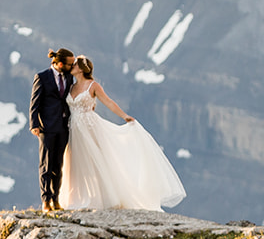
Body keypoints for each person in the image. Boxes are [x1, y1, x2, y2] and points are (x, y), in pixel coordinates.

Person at [59, 56, 185, 210]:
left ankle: (102, 198)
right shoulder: (71, 87)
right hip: (74, 129)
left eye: (74, 65)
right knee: (77, 162)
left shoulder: (93, 85)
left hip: (89, 128)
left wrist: (124, 116)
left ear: (81, 68)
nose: (71, 66)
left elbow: (109, 102)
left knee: (96, 160)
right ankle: (80, 197)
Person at [29, 47, 75, 211]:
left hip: (63, 127)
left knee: (58, 164)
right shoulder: (42, 77)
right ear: (61, 63)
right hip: (46, 127)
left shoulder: (69, 77)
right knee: (45, 165)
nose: (73, 66)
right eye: (71, 64)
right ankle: (46, 200)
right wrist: (34, 124)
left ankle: (56, 199)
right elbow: (34, 103)